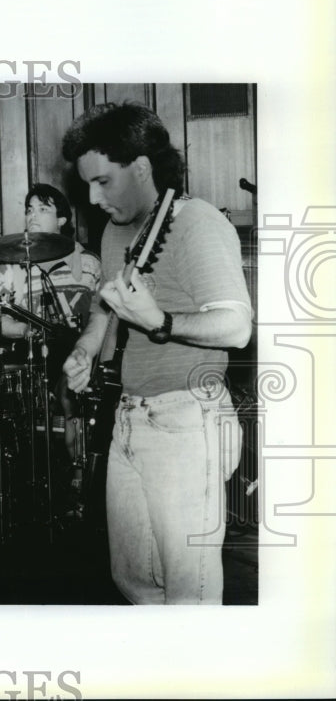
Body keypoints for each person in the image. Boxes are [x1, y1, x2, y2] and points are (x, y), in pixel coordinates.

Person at [61, 103, 251, 604]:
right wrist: (86, 345)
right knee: (136, 581)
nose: (93, 197)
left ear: (141, 168)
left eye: (103, 181)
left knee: (190, 591)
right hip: (129, 416)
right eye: (86, 185)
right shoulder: (116, 230)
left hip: (188, 421)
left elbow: (235, 326)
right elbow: (107, 306)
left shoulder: (199, 223)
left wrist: (161, 323)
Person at [0, 183, 101, 488]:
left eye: (43, 209)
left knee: (73, 393)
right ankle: (18, 481)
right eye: (29, 209)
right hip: (30, 354)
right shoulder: (13, 264)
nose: (32, 216)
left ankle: (78, 483)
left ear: (62, 219)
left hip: (77, 356)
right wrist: (22, 330)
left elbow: (105, 319)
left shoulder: (88, 263)